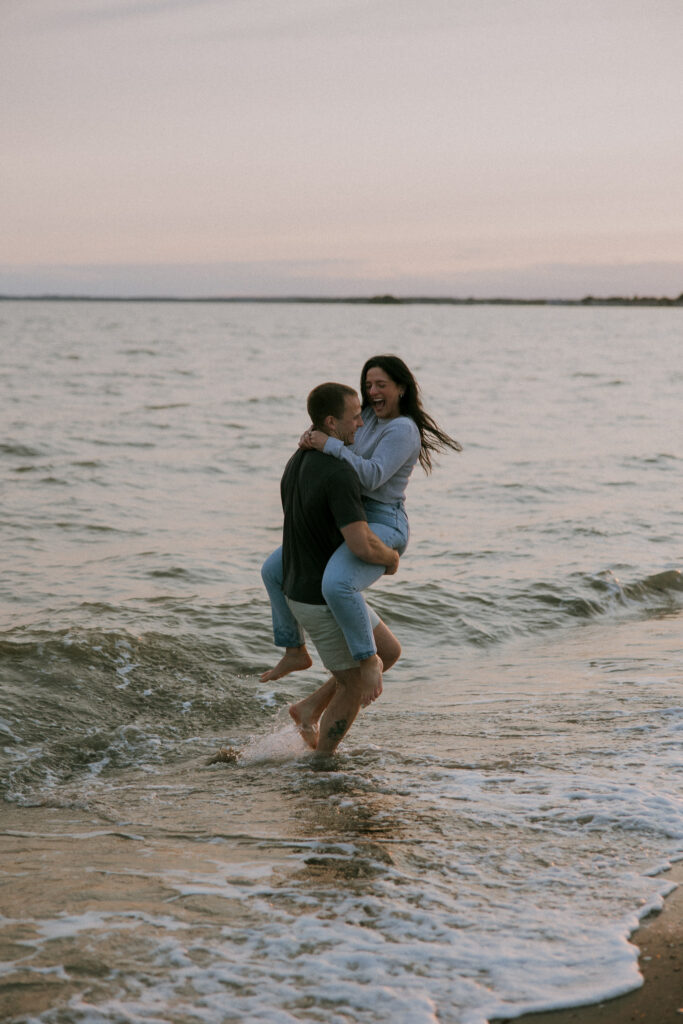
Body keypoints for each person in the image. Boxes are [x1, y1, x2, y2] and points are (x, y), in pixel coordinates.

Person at [261, 355, 461, 682]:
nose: (372, 392)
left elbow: (372, 477)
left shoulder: (403, 429)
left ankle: (368, 658)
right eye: (368, 385)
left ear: (401, 388)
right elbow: (334, 428)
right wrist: (311, 436)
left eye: (381, 384)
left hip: (384, 521)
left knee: (337, 584)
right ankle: (294, 649)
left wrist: (330, 446)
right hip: (348, 515)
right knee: (272, 571)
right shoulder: (366, 416)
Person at [273, 381, 402, 755]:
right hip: (318, 599)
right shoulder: (339, 472)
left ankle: (308, 708)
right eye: (354, 416)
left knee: (388, 652)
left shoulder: (296, 460)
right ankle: (322, 764)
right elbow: (361, 543)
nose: (361, 423)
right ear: (331, 422)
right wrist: (391, 558)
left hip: (304, 586)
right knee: (353, 684)